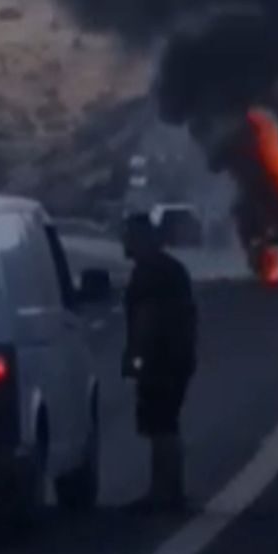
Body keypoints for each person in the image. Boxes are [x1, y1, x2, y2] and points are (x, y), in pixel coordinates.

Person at [121, 213, 198, 512]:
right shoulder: (170, 269)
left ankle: (164, 493)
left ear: (142, 238)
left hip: (160, 361)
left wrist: (136, 359)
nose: (124, 242)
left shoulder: (149, 273)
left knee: (160, 425)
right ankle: (168, 490)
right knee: (165, 424)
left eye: (129, 236)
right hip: (177, 358)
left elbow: (146, 320)